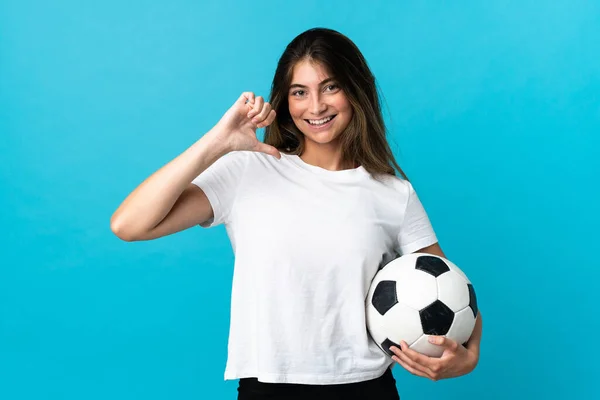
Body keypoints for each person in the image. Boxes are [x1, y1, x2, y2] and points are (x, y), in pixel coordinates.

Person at [110, 27, 482, 400]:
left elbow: (449, 290)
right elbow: (129, 225)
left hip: (367, 389)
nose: (316, 106)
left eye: (331, 87)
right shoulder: (247, 171)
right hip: (267, 388)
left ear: (356, 91)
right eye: (299, 92)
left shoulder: (392, 193)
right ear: (285, 100)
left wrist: (468, 358)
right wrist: (216, 142)